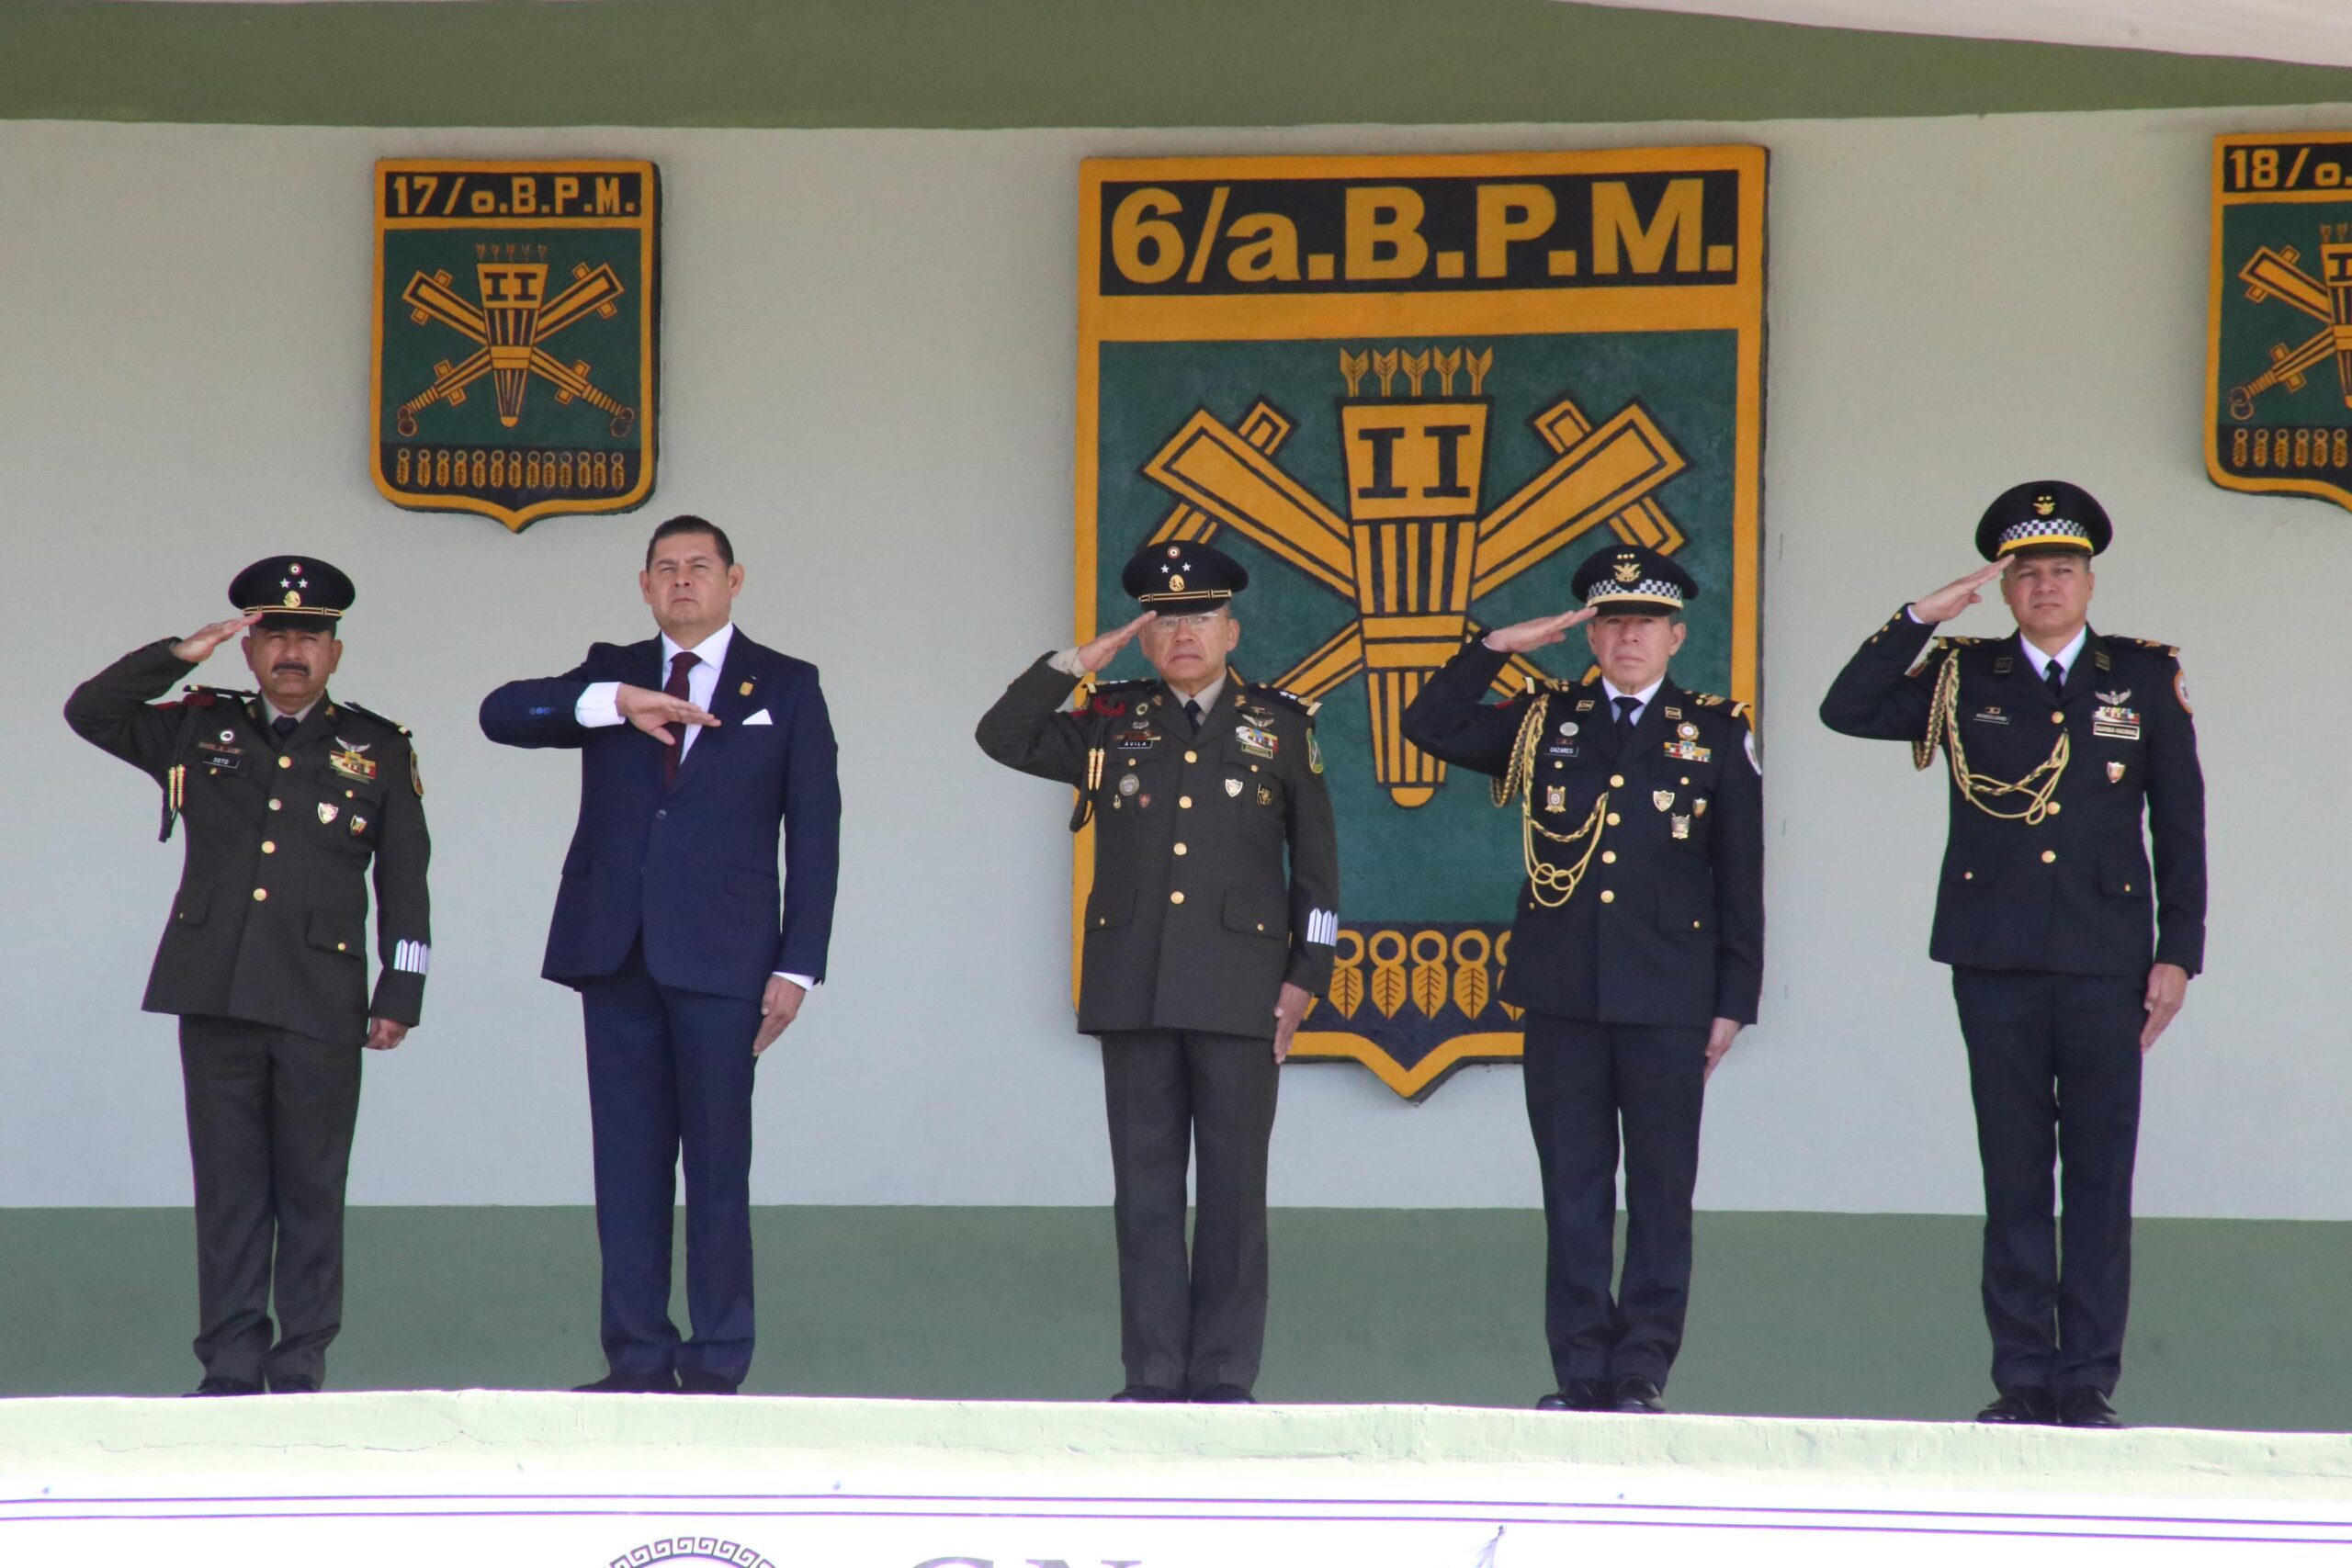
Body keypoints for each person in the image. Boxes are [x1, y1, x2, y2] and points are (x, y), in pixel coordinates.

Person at [1819, 479, 2205, 1429]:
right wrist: (1917, 618)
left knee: (2100, 1177)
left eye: (2061, 570)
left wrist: (2178, 955)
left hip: (2108, 957)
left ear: (2087, 581)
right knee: (2016, 1171)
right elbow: (1845, 707)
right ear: (2001, 589)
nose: (2045, 585)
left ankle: (2087, 1385)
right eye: (2026, 572)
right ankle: (2024, 1381)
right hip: (1994, 957)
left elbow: (2180, 824)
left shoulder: (2142, 678)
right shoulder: (1962, 676)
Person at [479, 515, 841, 1394]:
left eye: (700, 567)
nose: (683, 581)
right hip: (617, 951)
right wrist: (613, 701)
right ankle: (636, 1358)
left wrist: (798, 965)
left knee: (718, 1166)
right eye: (666, 569)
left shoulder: (786, 683)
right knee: (628, 1168)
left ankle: (717, 1361)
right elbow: (501, 713)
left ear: (734, 579)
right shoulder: (613, 671)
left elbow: (817, 829)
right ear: (644, 586)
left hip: (727, 958)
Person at [1401, 542, 1762, 1416]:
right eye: (1610, 620)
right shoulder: (1544, 720)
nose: (1626, 636)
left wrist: (1734, 1000)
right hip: (1564, 989)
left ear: (1676, 635)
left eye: (1644, 621)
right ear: (1589, 634)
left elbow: (1740, 875)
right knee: (1573, 1188)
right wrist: (1493, 649)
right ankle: (1580, 1371)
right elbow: (1430, 725)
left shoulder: (1714, 730)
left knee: (1662, 1190)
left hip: (1671, 994)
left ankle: (1641, 1369)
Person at [976, 540, 1339, 1404]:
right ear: (1144, 637)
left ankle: (1220, 1373)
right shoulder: (1111, 717)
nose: (1184, 633)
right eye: (1166, 620)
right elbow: (1003, 735)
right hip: (1135, 986)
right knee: (1142, 1193)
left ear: (1232, 629)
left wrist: (1306, 975)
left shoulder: (1281, 725)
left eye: (1201, 618)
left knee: (1233, 1194)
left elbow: (1319, 866)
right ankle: (1152, 1374)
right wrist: (1071, 666)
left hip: (1244, 989)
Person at [65, 558, 429, 1396]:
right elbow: (90, 711)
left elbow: (406, 883)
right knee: (229, 1189)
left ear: (335, 653)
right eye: (274, 637)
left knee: (310, 1187)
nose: (291, 652)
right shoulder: (197, 728)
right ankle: (230, 1364)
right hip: (216, 989)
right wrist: (179, 654)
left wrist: (400, 991)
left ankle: (299, 1362)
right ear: (250, 649)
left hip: (321, 1000)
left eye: (309, 637)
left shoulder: (377, 747)